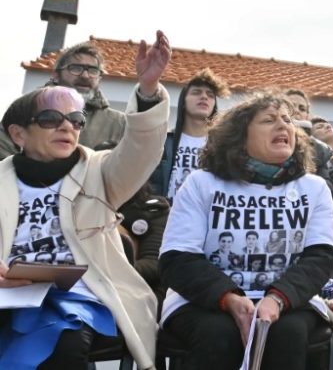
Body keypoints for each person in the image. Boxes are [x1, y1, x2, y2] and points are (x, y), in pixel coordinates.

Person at [0, 31, 171, 369]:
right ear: (18, 134)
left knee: (64, 346)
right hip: (9, 293)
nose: (66, 127)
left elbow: (141, 152)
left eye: (75, 120)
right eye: (50, 119)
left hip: (83, 294)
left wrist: (148, 91)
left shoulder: (100, 171)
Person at [159, 90, 333, 370]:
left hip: (289, 300)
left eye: (287, 119)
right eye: (269, 120)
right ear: (240, 136)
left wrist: (277, 299)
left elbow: (320, 259)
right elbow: (177, 259)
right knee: (218, 334)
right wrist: (229, 298)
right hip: (207, 300)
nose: (283, 126)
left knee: (286, 334)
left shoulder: (314, 188)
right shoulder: (201, 183)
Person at [1, 41, 128, 159]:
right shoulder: (24, 110)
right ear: (56, 75)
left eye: (93, 71)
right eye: (76, 68)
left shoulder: (119, 123)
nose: (85, 75)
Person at [147, 69, 229, 200]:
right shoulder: (163, 141)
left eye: (210, 95)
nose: (204, 97)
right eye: (196, 92)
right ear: (183, 102)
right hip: (167, 216)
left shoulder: (223, 147)